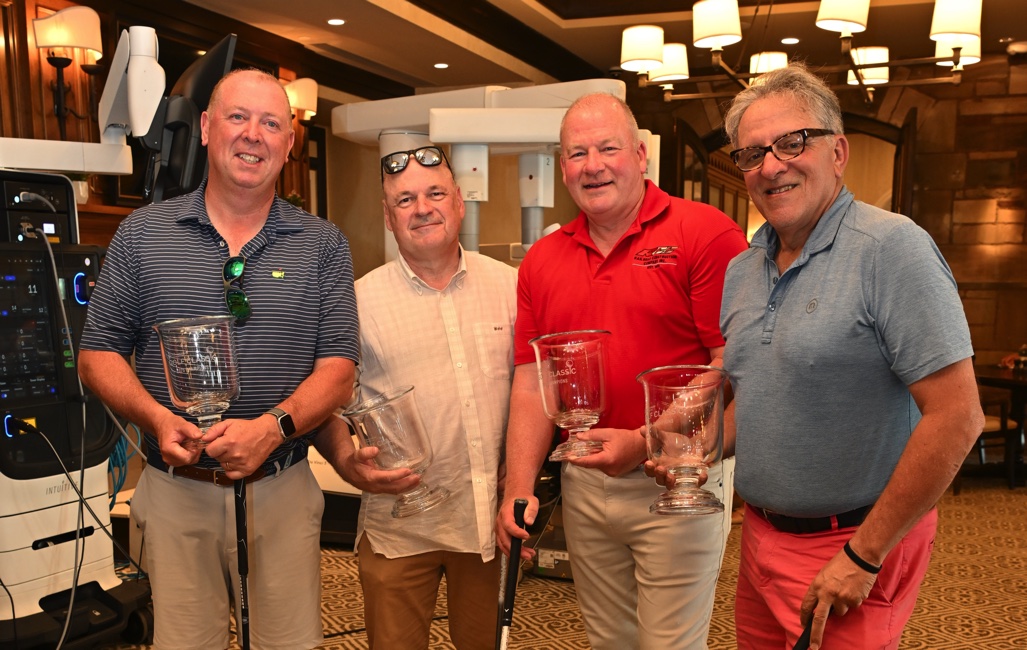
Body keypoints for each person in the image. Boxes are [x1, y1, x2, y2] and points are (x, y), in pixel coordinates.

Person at [78, 68, 359, 649]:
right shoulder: (142, 235)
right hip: (175, 489)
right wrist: (156, 419)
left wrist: (272, 428)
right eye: (238, 117)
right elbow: (98, 352)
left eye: (271, 123)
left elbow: (339, 370)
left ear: (288, 143)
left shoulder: (323, 244)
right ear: (207, 127)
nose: (253, 134)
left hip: (282, 485)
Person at [717, 64, 984, 649]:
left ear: (838, 152)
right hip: (759, 538)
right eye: (752, 153)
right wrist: (685, 442)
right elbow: (764, 402)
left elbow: (958, 416)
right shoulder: (742, 269)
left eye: (792, 143)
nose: (771, 166)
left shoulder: (892, 249)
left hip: (852, 545)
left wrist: (863, 556)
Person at [496, 92, 749, 649]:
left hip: (677, 479)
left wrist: (646, 441)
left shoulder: (705, 233)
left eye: (608, 148)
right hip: (584, 481)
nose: (593, 165)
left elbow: (733, 363)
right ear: (562, 167)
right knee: (609, 641)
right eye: (577, 153)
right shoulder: (541, 261)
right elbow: (531, 383)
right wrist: (518, 487)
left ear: (639, 155)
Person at [317, 136, 517, 649]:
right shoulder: (358, 302)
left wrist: (521, 477)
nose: (422, 209)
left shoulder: (512, 287)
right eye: (405, 200)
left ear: (459, 202)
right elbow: (324, 403)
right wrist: (346, 462)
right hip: (397, 528)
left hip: (484, 525)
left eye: (435, 194)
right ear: (388, 217)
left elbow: (534, 393)